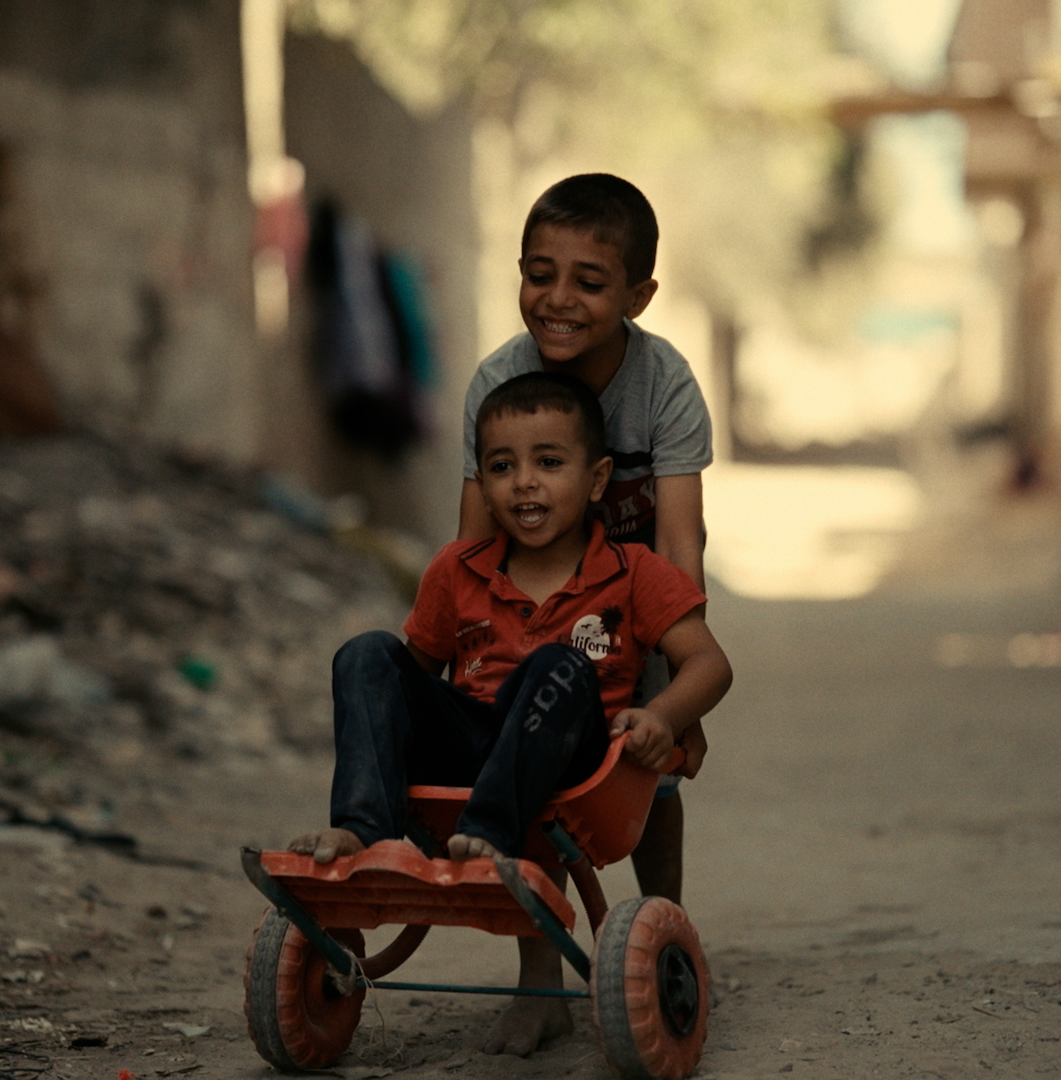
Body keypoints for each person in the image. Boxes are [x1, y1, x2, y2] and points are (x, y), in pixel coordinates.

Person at [289, 371, 733, 1057]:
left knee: (559, 665)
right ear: (483, 483)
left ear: (596, 479)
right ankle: (364, 834)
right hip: (473, 749)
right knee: (367, 654)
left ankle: (492, 836)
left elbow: (710, 663)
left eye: (548, 462)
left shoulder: (633, 571)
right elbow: (408, 682)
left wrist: (665, 716)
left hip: (575, 763)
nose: (523, 482)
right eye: (502, 467)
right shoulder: (458, 570)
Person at [457, 173, 712, 907]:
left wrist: (681, 707)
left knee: (650, 773)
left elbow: (679, 544)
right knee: (526, 764)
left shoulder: (664, 385)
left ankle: (666, 927)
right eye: (540, 276)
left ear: (638, 297)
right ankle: (538, 964)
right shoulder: (499, 381)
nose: (559, 299)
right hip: (528, 604)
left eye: (589, 283)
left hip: (638, 600)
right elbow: (473, 544)